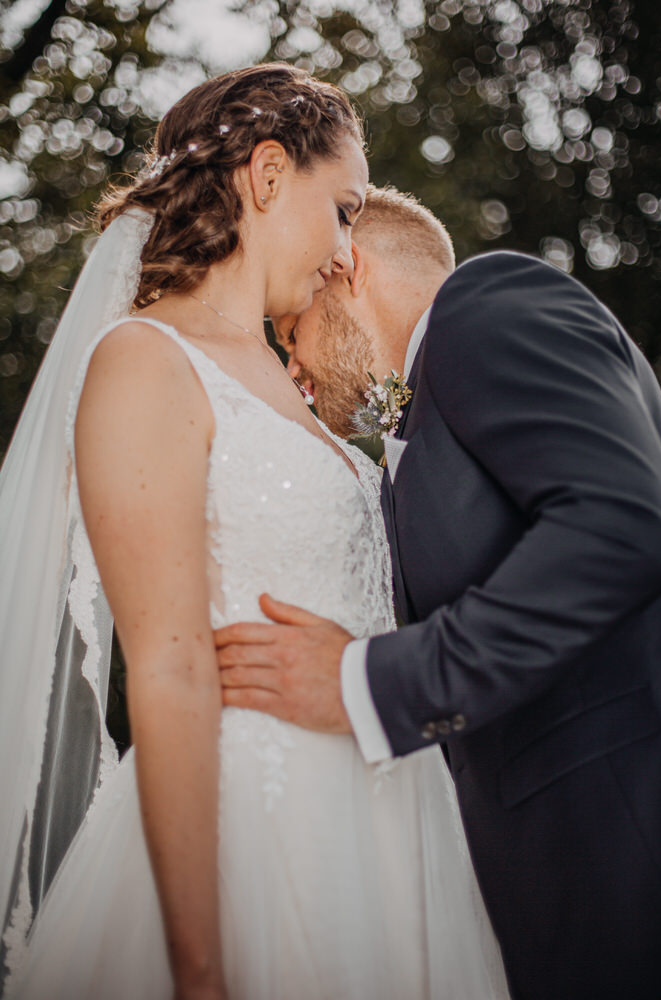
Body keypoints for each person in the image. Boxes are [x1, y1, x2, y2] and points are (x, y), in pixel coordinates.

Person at [0, 68, 510, 999]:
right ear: (268, 175)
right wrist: (200, 967)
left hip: (395, 823)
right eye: (344, 209)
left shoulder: (291, 378)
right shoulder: (146, 360)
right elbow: (168, 664)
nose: (346, 246)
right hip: (260, 831)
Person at [217, 184, 661, 1000]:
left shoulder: (487, 303)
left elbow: (617, 524)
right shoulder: (415, 428)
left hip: (631, 843)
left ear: (344, 268)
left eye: (290, 332)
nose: (294, 368)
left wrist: (365, 680)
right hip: (546, 889)